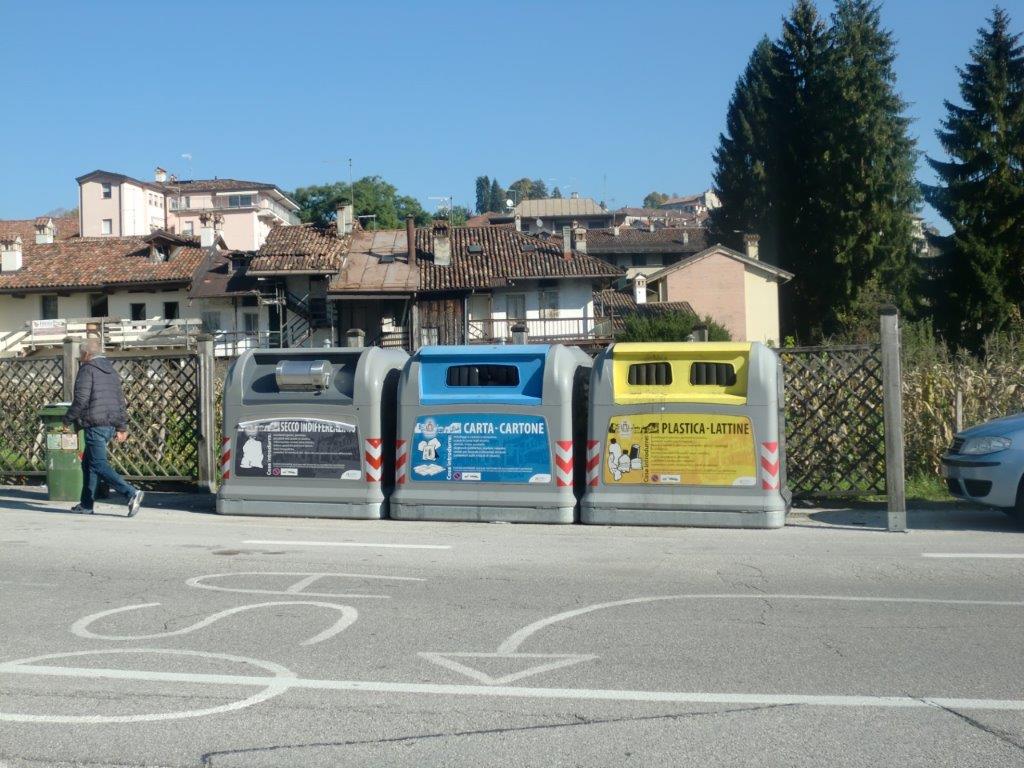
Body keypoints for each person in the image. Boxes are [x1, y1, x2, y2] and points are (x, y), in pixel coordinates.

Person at [62, 338, 144, 516]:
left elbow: (81, 399)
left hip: (95, 423)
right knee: (89, 465)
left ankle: (131, 493)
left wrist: (67, 419)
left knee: (98, 464)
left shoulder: (87, 370)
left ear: (86, 354)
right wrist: (122, 427)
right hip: (110, 424)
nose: (80, 358)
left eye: (80, 355)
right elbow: (119, 400)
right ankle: (86, 504)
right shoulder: (111, 370)